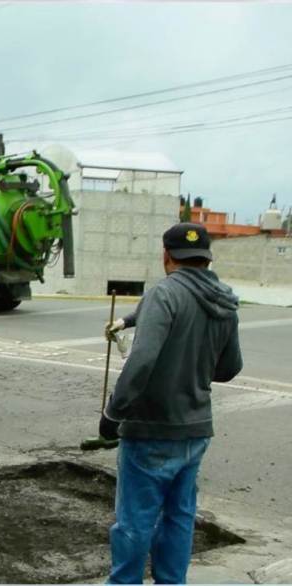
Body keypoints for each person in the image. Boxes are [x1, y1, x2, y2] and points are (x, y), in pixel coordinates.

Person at [101, 222, 242, 584]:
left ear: (167, 256)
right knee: (179, 517)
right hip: (195, 431)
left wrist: (113, 412)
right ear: (206, 258)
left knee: (134, 521)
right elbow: (229, 368)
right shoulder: (225, 300)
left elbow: (142, 361)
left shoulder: (163, 294)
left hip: (151, 430)